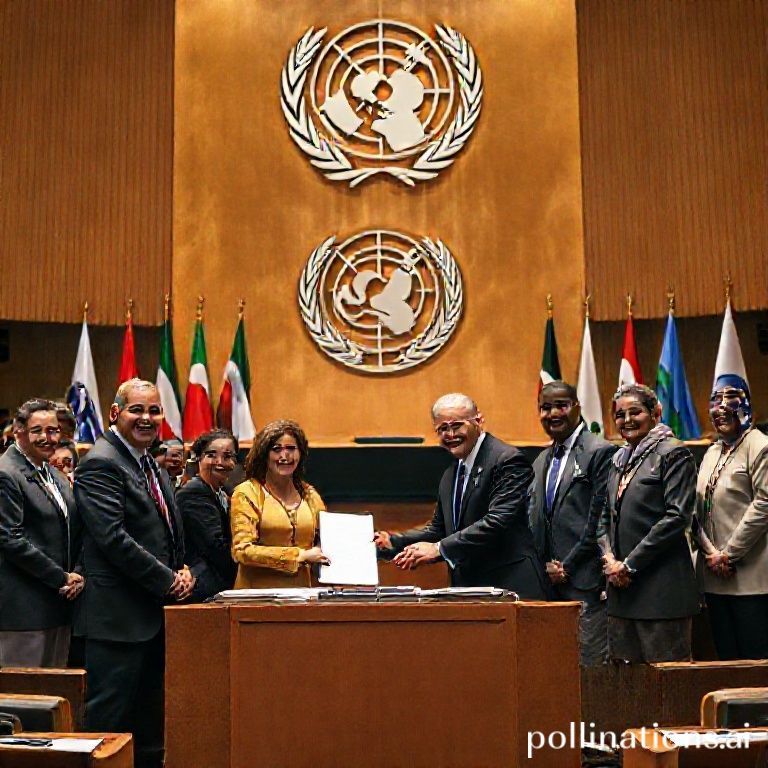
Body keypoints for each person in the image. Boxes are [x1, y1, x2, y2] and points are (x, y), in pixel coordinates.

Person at [74, 379, 193, 768]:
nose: (147, 418)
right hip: (117, 621)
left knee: (149, 727)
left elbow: (165, 529)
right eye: (136, 410)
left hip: (152, 619)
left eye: (154, 411)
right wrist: (167, 579)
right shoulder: (101, 462)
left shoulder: (148, 463)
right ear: (114, 413)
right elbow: (112, 538)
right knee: (106, 730)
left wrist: (183, 568)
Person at [374, 393, 548, 598]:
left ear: (479, 421)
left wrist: (439, 549)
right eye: (442, 429)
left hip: (511, 586)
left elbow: (498, 521)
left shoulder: (507, 460)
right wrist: (393, 541)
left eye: (456, 426)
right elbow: (439, 529)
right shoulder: (452, 473)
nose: (450, 434)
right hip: (471, 589)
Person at [598, 384, 699, 663]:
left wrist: (629, 564)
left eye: (636, 412)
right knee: (629, 689)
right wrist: (608, 558)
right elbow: (606, 514)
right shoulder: (619, 459)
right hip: (621, 593)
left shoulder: (673, 453)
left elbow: (677, 516)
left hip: (661, 594)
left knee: (668, 689)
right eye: (620, 415)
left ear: (656, 413)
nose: (627, 420)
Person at [529, 381, 617, 665]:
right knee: (557, 670)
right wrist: (545, 564)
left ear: (577, 407)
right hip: (549, 585)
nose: (553, 413)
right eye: (545, 407)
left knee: (588, 671)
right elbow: (537, 519)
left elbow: (598, 519)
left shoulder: (600, 451)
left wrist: (568, 565)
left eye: (561, 406)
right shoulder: (542, 459)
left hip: (585, 580)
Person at [0, 398, 83, 666]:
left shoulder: (54, 474)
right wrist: (60, 577)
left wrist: (78, 573)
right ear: (18, 431)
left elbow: (75, 530)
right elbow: (10, 539)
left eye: (53, 430)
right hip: (23, 612)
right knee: (23, 699)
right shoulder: (6, 473)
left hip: (59, 605)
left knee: (53, 696)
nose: (47, 438)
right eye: (38, 431)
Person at [694, 374, 768, 660]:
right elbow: (698, 506)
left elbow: (763, 504)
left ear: (746, 406)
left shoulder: (759, 446)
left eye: (730, 402)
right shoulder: (712, 451)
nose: (721, 409)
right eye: (715, 403)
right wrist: (712, 554)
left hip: (749, 578)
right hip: (714, 577)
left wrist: (729, 555)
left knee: (754, 662)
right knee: (726, 661)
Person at [230, 420, 328, 588]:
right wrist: (299, 556)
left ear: (300, 453)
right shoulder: (247, 493)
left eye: (291, 449)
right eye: (276, 449)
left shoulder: (310, 494)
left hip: (303, 594)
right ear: (264, 455)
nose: (285, 456)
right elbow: (242, 551)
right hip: (257, 596)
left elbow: (328, 538)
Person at [177, 429, 238, 600]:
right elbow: (215, 547)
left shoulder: (223, 492)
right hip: (199, 587)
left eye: (227, 456)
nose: (220, 462)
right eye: (211, 455)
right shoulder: (194, 493)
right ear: (198, 458)